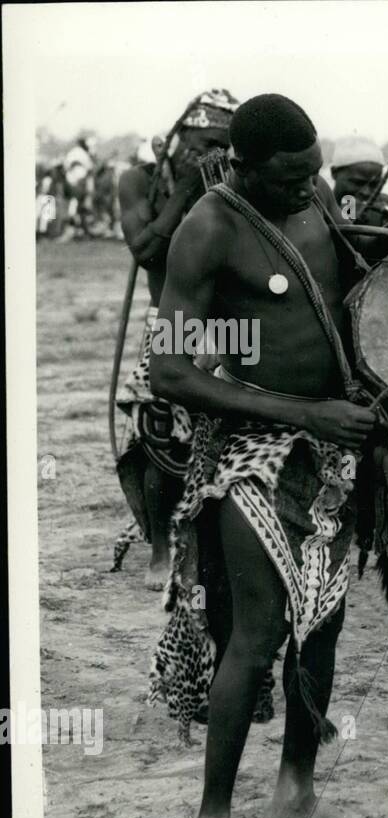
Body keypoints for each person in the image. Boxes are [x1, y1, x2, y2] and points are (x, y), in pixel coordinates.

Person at [147, 93, 388, 818]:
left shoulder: (309, 192)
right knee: (257, 634)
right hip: (254, 456)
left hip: (333, 450)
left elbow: (344, 275)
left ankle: (296, 790)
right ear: (242, 166)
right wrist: (303, 409)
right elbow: (169, 370)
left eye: (310, 173)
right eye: (287, 177)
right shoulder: (207, 230)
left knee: (323, 629)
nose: (304, 188)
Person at [113, 89, 241, 588]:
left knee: (228, 430)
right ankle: (162, 548)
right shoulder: (138, 181)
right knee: (159, 437)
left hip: (229, 323)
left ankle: (213, 546)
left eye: (223, 146)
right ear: (175, 140)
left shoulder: (232, 183)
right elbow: (144, 251)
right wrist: (187, 190)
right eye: (205, 143)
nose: (213, 155)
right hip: (170, 323)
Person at [328, 136, 388, 260]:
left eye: (374, 184)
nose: (366, 192)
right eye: (357, 183)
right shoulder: (315, 208)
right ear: (334, 173)